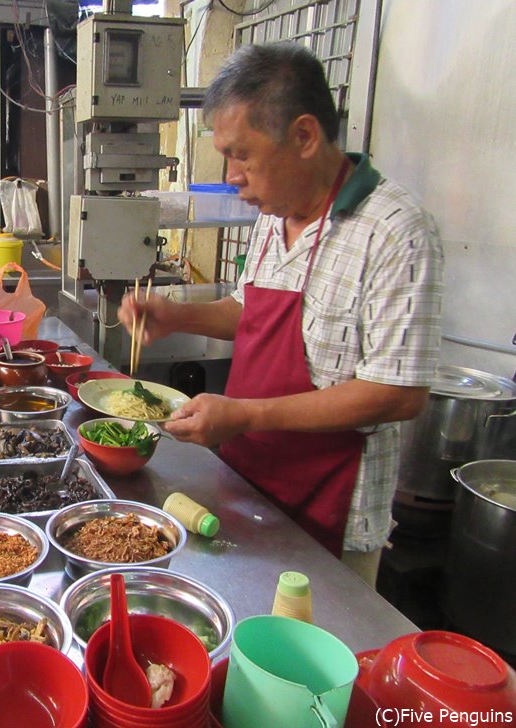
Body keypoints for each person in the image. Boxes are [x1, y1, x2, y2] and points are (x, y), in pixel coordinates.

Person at [118, 42, 443, 586]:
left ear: (305, 136)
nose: (232, 175)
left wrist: (246, 415)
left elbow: (399, 393)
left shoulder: (395, 231)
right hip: (248, 480)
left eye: (242, 154)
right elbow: (253, 311)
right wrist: (177, 316)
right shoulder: (275, 212)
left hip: (333, 506)